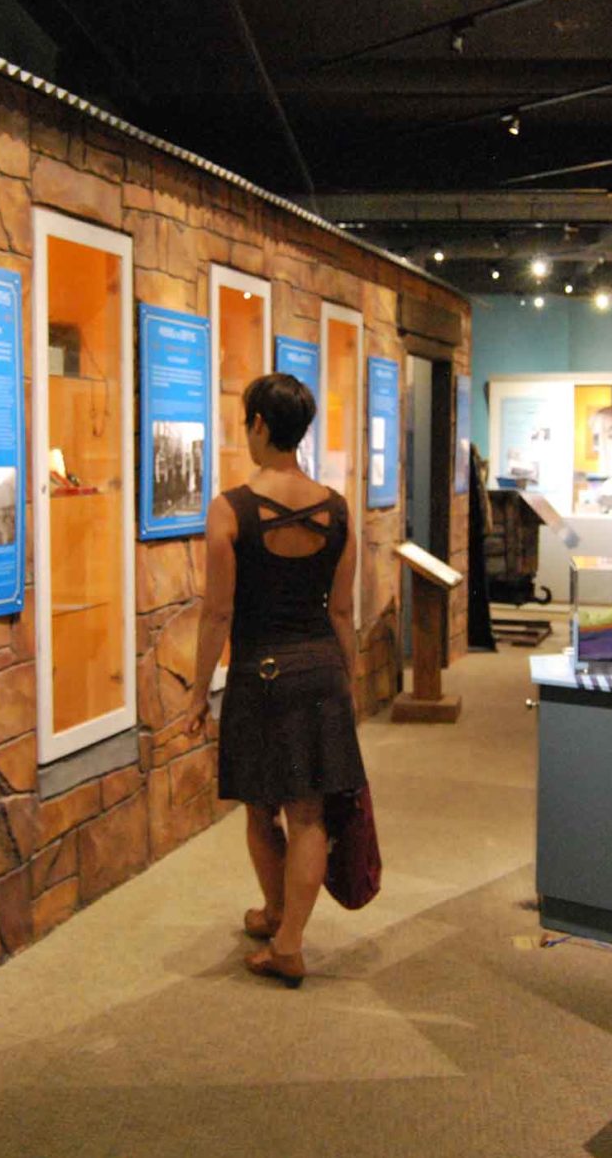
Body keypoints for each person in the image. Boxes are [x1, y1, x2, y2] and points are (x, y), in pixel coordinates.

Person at [188, 372, 365, 988]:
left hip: (260, 675)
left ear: (260, 425)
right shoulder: (337, 510)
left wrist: (196, 690)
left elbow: (217, 613)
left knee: (261, 809)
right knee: (309, 814)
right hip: (319, 670)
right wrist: (352, 678)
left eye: (246, 421)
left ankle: (283, 931)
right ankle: (283, 929)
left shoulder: (229, 509)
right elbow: (342, 611)